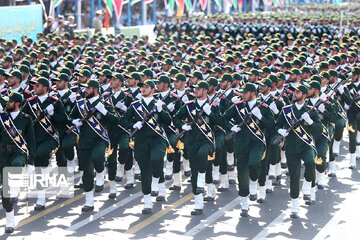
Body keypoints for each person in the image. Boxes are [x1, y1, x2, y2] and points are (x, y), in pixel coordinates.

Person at [121, 79, 172, 214]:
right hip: (141, 141)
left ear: (153, 90)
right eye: (142, 87)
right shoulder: (135, 105)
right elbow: (123, 121)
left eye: (146, 87)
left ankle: (157, 181)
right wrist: (133, 124)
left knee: (157, 159)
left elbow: (167, 122)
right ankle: (147, 201)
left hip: (157, 139)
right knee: (144, 171)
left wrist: (161, 110)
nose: (143, 89)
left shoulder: (159, 104)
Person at [276, 84, 323, 218]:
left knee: (310, 163)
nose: (294, 94)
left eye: (297, 92)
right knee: (294, 176)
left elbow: (319, 129)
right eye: (294, 91)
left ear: (304, 95)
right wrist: (280, 130)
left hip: (306, 144)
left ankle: (308, 187)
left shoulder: (311, 111)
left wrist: (310, 122)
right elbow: (277, 125)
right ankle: (295, 205)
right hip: (291, 146)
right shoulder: (286, 110)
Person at [0, 92, 36, 234]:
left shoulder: (26, 119)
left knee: (14, 168)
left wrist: (31, 162)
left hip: (18, 153)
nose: (6, 104)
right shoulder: (2, 118)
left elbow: (31, 142)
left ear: (17, 103)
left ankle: (10, 221)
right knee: (5, 194)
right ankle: (9, 218)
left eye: (9, 102)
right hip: (2, 154)